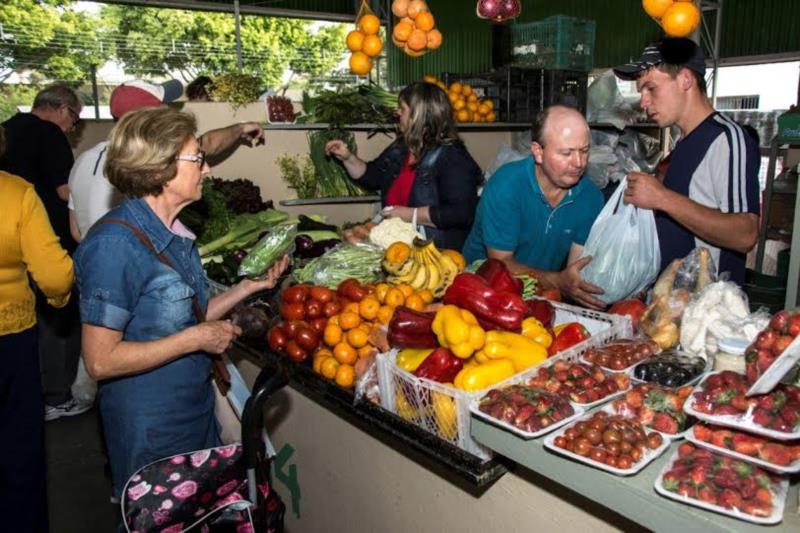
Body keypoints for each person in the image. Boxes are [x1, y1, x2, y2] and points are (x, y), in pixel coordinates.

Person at [73, 107, 289, 502]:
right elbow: (100, 361)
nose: (206, 170)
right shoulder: (114, 247)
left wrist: (246, 288)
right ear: (159, 168)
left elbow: (189, 316)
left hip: (194, 413)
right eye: (197, 159)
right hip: (152, 430)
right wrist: (195, 340)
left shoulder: (175, 234)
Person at [614, 37, 760, 286]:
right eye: (642, 92)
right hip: (673, 307)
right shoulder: (684, 144)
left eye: (651, 88)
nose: (644, 102)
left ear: (685, 79)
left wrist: (661, 198)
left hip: (709, 311)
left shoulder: (726, 138)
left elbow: (745, 233)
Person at [68, 79, 266, 241]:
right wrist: (240, 128)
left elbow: (76, 232)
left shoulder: (83, 161)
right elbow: (206, 145)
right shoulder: (145, 163)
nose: (170, 110)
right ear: (151, 119)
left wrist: (240, 128)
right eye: (164, 106)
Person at [0, 125, 74, 533]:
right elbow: (55, 275)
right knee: (18, 449)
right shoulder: (16, 193)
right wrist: (60, 303)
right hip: (9, 339)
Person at [0, 84, 88, 421]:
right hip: (46, 237)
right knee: (58, 320)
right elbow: (66, 192)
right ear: (62, 109)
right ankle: (57, 396)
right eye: (75, 119)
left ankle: (38, 392)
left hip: (10, 246)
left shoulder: (10, 126)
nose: (72, 127)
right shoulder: (50, 135)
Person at [462, 105, 606, 309]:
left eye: (584, 151)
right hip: (480, 293)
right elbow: (501, 264)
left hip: (539, 295)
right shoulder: (506, 186)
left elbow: (576, 270)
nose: (579, 162)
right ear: (538, 152)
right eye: (566, 153)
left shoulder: (591, 198)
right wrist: (557, 281)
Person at [325, 81, 482, 250]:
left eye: (402, 108)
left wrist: (409, 214)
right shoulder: (402, 147)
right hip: (400, 250)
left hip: (436, 255)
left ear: (418, 115)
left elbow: (460, 213)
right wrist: (347, 157)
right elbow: (373, 176)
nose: (397, 112)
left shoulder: (452, 157)